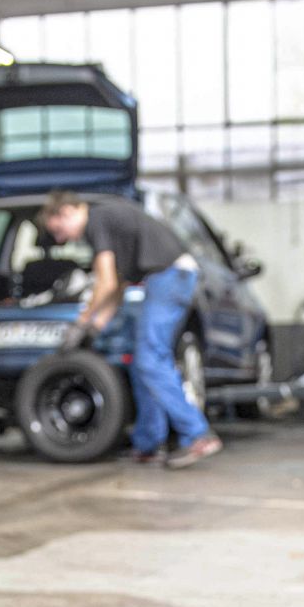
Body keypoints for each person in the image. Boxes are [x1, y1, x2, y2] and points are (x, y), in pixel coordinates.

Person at [40, 191, 222, 469]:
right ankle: (149, 444)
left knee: (151, 359)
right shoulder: (111, 222)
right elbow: (119, 287)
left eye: (58, 230)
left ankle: (198, 434)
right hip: (167, 278)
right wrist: (95, 328)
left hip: (170, 277)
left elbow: (106, 283)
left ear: (67, 212)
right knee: (142, 363)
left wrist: (81, 323)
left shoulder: (97, 219)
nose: (60, 240)